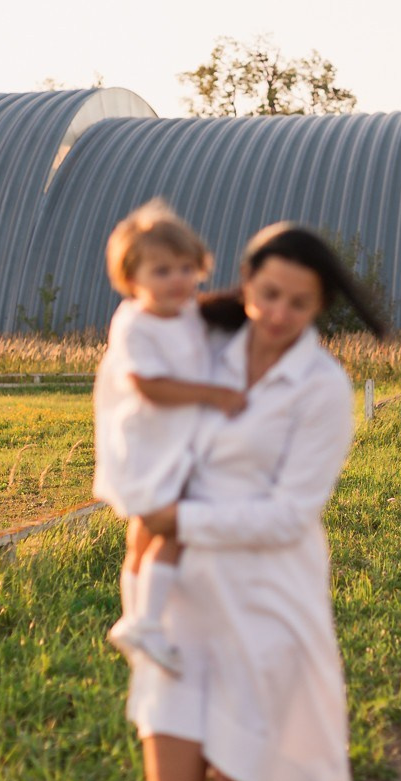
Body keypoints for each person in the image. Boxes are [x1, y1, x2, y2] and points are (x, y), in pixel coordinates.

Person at [126, 223, 387, 781]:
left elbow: (288, 515)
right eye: (269, 294)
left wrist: (180, 521)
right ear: (245, 281)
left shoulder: (321, 386)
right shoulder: (199, 348)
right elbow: (134, 401)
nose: (278, 314)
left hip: (264, 609)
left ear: (319, 308)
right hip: (180, 603)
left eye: (299, 303)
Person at [93, 198, 246, 675]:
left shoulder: (187, 313)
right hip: (146, 446)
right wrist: (213, 394)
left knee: (143, 532)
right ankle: (148, 623)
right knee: (176, 526)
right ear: (131, 277)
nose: (177, 280)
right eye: (161, 271)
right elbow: (150, 386)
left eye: (186, 268)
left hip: (175, 444)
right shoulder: (134, 322)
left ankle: (136, 619)